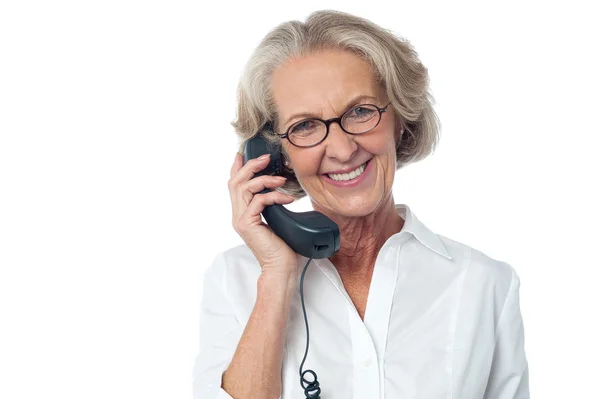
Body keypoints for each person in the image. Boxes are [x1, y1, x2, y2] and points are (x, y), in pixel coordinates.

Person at [193, 10, 529, 399]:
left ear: (400, 117)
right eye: (305, 125)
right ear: (275, 154)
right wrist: (275, 278)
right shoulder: (234, 280)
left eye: (360, 111)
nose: (342, 149)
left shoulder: (485, 284)